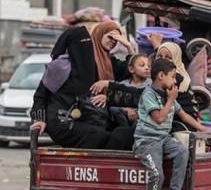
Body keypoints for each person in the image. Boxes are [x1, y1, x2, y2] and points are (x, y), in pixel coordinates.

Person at [30, 21, 137, 150]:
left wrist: (128, 46)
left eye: (116, 39)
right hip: (62, 121)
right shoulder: (61, 67)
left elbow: (132, 70)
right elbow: (41, 95)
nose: (113, 41)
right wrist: (39, 119)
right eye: (110, 37)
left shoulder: (102, 63)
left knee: (123, 132)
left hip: (90, 119)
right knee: (99, 136)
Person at [135, 59, 210, 190]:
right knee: (157, 175)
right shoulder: (149, 94)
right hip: (147, 140)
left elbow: (183, 115)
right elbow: (159, 118)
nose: (175, 81)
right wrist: (171, 99)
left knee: (183, 153)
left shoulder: (166, 94)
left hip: (163, 138)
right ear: (161, 76)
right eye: (172, 77)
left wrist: (203, 129)